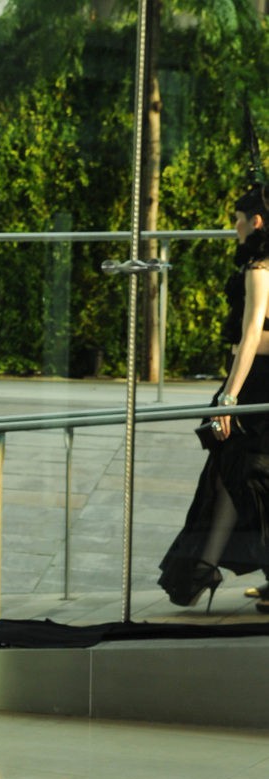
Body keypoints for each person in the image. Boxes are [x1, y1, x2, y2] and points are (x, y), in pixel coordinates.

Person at [159, 184, 269, 611]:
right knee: (231, 471)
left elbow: (250, 335)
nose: (235, 228)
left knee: (245, 473)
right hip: (252, 380)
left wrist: (229, 397)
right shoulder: (256, 264)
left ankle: (203, 567)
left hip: (254, 385)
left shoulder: (259, 267)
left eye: (238, 219)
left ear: (255, 221)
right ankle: (203, 567)